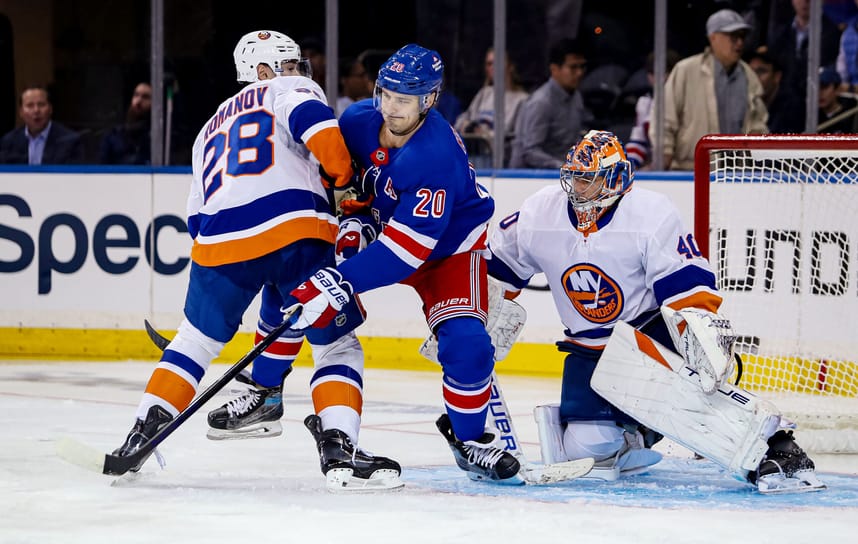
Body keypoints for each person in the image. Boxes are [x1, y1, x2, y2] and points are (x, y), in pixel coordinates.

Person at [111, 30, 401, 491]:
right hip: (297, 232)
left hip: (219, 245)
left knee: (194, 342)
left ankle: (140, 432)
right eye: (288, 64)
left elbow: (194, 214)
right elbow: (324, 135)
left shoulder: (207, 129)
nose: (298, 72)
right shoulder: (289, 89)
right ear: (263, 72)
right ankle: (338, 448)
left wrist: (230, 265)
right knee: (337, 345)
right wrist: (345, 181)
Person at [486, 129, 824, 493]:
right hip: (589, 349)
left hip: (645, 338)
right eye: (575, 177)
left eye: (589, 179)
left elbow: (686, 286)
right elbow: (497, 272)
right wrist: (468, 318)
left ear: (614, 178)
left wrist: (702, 345)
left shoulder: (649, 212)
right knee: (587, 452)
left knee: (698, 408)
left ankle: (780, 448)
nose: (578, 188)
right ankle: (639, 434)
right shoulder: (541, 210)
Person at [281, 43, 521, 483]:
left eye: (404, 100)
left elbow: (405, 254)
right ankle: (276, 395)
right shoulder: (357, 121)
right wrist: (354, 218)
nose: (390, 108)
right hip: (388, 237)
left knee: (466, 344)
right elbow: (345, 183)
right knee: (313, 299)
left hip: (447, 251)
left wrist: (340, 278)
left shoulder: (435, 155)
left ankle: (469, 438)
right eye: (385, 94)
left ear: (429, 100)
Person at [652, 9, 768, 171]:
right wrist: (663, 154)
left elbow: (758, 124)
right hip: (688, 170)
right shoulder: (686, 70)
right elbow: (664, 118)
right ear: (713, 37)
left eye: (742, 36)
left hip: (737, 174)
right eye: (733, 36)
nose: (740, 43)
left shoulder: (750, 76)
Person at [509, 38, 593, 169]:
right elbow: (530, 152)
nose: (579, 73)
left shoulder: (576, 97)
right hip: (531, 179)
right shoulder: (541, 102)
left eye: (582, 67)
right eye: (573, 67)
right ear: (554, 69)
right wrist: (564, 166)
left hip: (564, 176)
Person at [454, 48, 529, 167]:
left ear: (510, 67)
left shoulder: (522, 100)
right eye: (489, 64)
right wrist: (469, 126)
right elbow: (461, 121)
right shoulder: (484, 93)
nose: (492, 67)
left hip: (500, 162)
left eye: (497, 62)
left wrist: (485, 135)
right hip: (474, 157)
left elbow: (518, 140)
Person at [768, 0, 840, 103]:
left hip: (813, 100)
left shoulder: (831, 33)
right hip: (781, 99)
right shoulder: (780, 34)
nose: (805, 2)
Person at [625, 49, 680, 170]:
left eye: (666, 72)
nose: (662, 78)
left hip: (680, 167)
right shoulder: (645, 103)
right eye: (654, 73)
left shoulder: (684, 102)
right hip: (655, 167)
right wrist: (628, 168)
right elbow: (638, 142)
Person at [0, 85, 82, 164]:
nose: (36, 110)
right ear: (21, 112)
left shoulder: (70, 141)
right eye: (30, 105)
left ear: (50, 109)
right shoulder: (9, 141)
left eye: (41, 104)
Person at [747, 48, 805, 134]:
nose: (755, 78)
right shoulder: (747, 103)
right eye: (751, 72)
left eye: (761, 72)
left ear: (777, 76)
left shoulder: (793, 108)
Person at [98, 82, 152, 165]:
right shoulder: (113, 135)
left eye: (145, 97)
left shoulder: (156, 138)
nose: (139, 100)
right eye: (136, 95)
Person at [818, 65, 858, 132]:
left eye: (824, 87)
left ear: (837, 89)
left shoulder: (853, 114)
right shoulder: (807, 115)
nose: (819, 93)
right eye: (815, 88)